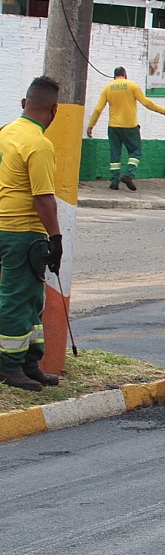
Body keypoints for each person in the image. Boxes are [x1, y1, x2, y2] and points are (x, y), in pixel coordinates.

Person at [0, 76, 64, 391]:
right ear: (54, 111)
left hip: (5, 227)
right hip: (23, 232)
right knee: (16, 297)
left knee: (30, 299)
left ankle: (29, 362)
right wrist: (57, 239)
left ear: (25, 104)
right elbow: (43, 198)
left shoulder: (5, 133)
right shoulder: (39, 144)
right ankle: (9, 367)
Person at [87, 66, 165, 191]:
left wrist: (91, 126)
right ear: (125, 74)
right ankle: (128, 175)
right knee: (136, 152)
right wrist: (163, 111)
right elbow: (146, 103)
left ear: (114, 76)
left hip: (113, 127)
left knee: (115, 155)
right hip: (130, 127)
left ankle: (114, 182)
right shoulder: (132, 85)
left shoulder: (107, 88)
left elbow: (97, 109)